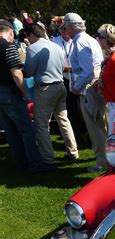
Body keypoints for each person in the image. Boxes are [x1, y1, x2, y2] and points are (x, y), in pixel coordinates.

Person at [23, 23, 79, 164]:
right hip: (60, 86)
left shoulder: (32, 49)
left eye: (27, 36)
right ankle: (73, 152)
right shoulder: (56, 45)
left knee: (41, 124)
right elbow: (63, 67)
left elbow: (28, 72)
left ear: (31, 34)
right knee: (63, 120)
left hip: (45, 89)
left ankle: (47, 157)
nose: (27, 39)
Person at [0, 19, 49, 173]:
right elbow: (16, 72)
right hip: (10, 93)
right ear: (10, 32)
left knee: (10, 131)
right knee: (27, 129)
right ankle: (35, 164)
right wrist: (26, 93)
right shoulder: (8, 46)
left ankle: (21, 163)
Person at [64, 12, 107, 172]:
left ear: (72, 26)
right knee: (100, 123)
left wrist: (77, 86)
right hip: (94, 85)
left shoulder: (80, 42)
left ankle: (103, 161)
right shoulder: (88, 39)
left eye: (66, 26)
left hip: (88, 87)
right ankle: (106, 157)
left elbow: (87, 70)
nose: (65, 30)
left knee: (95, 126)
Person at [52, 17, 87, 145]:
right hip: (65, 79)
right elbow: (54, 61)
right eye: (62, 29)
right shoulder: (55, 42)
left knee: (82, 108)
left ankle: (86, 133)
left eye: (66, 29)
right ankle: (76, 136)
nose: (64, 32)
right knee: (71, 109)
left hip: (80, 78)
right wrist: (64, 68)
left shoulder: (78, 40)